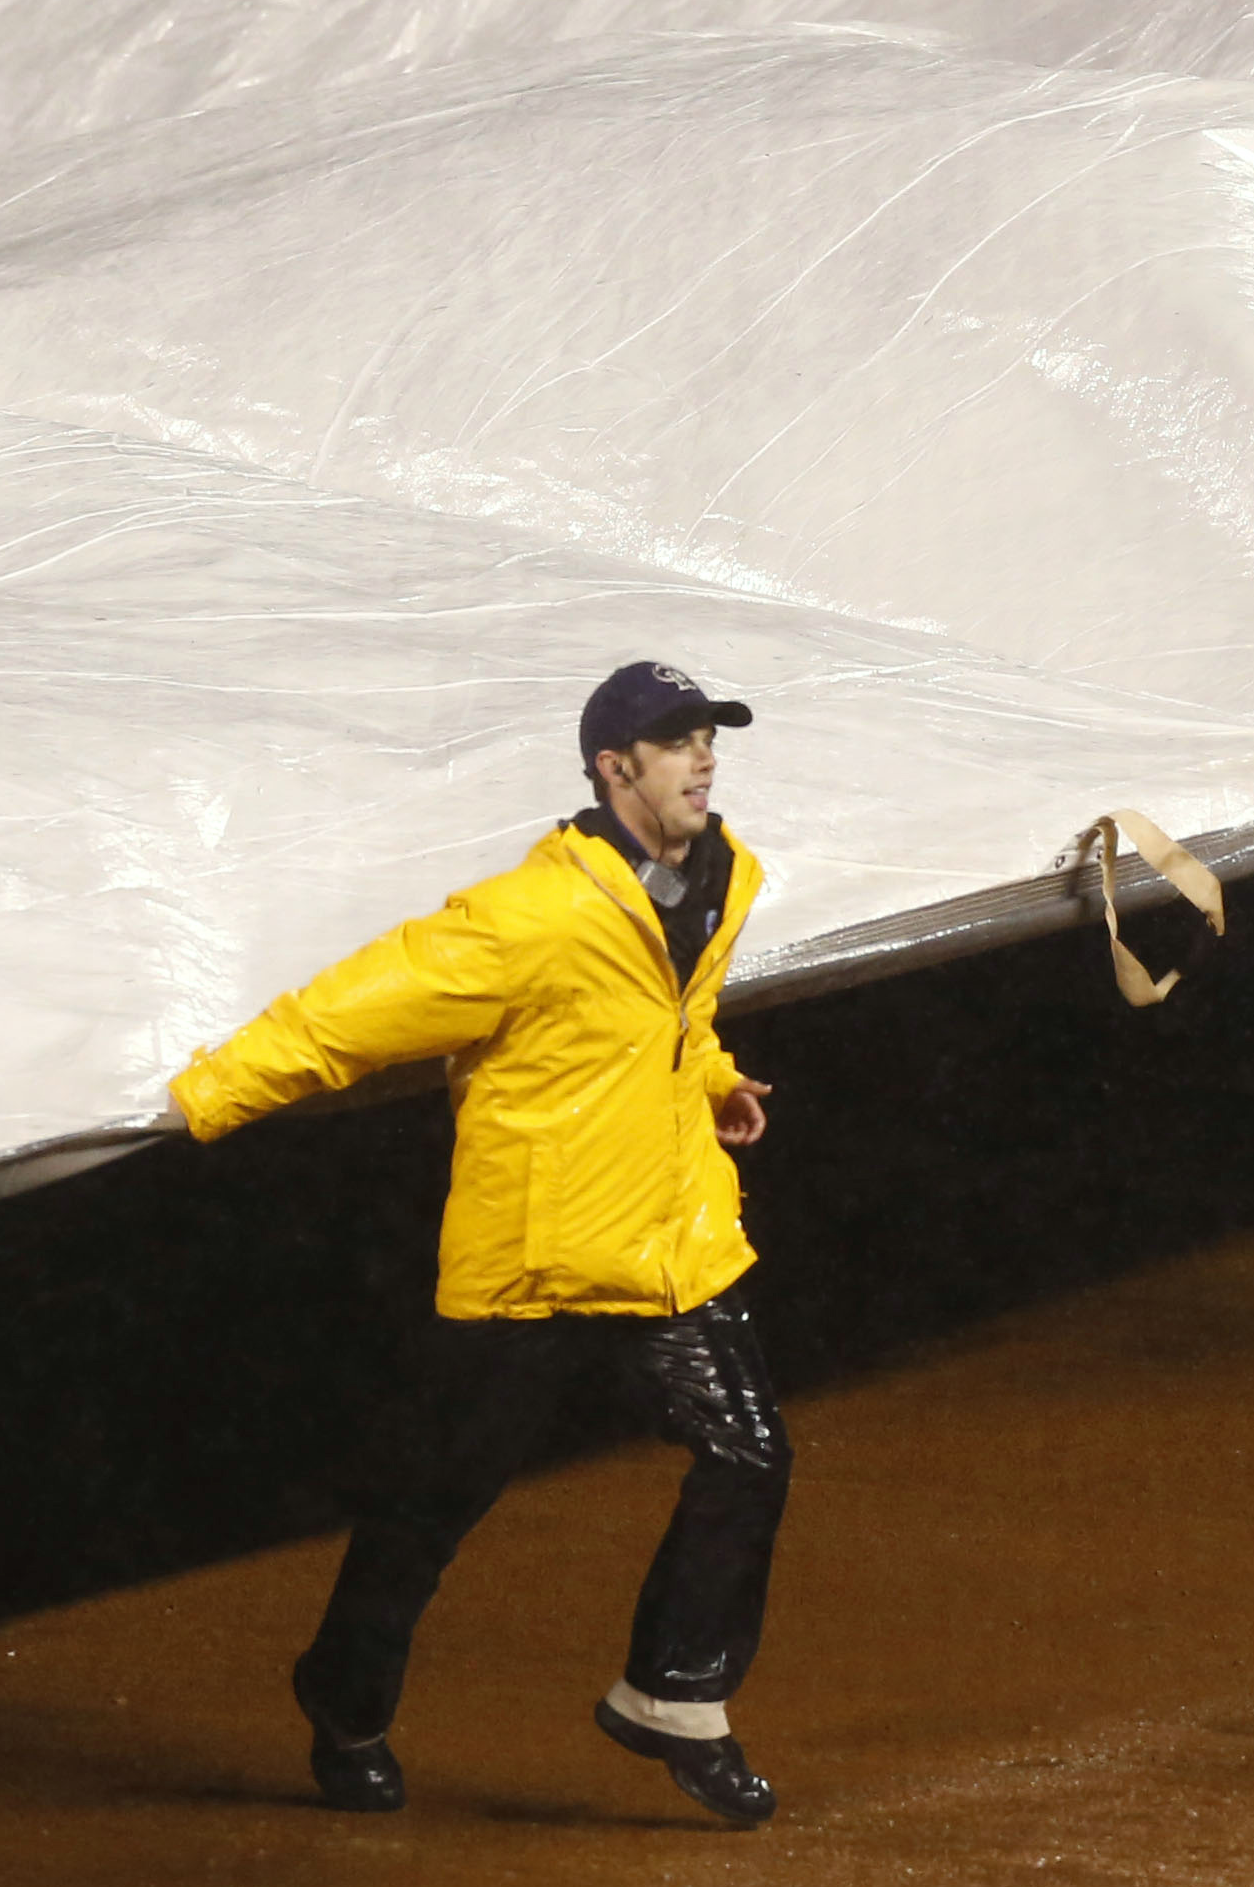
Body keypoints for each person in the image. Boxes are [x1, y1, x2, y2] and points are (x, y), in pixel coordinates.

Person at [169, 661, 793, 1828]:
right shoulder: (531, 917)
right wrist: (207, 1096)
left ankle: (674, 1697)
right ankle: (344, 1700)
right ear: (615, 769)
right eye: (677, 743)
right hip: (537, 1258)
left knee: (751, 1454)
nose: (704, 759)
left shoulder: (726, 877)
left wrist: (707, 1079)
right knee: (432, 1504)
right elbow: (351, 1012)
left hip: (668, 1241)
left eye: (710, 738)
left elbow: (675, 1014)